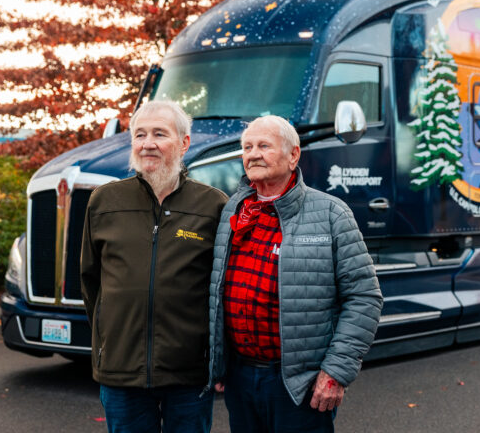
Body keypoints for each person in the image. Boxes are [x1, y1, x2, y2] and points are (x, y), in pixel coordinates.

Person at [208, 115, 383, 433]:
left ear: (293, 155)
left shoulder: (331, 214)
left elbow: (364, 298)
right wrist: (219, 364)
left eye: (264, 145)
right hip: (241, 377)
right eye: (247, 147)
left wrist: (335, 372)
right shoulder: (233, 211)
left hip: (300, 384)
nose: (253, 154)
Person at [81, 100, 227, 433]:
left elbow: (221, 288)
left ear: (184, 143)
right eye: (140, 134)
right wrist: (109, 338)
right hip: (121, 371)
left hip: (188, 372)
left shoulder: (212, 205)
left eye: (159, 134)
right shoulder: (104, 202)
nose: (147, 143)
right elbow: (91, 282)